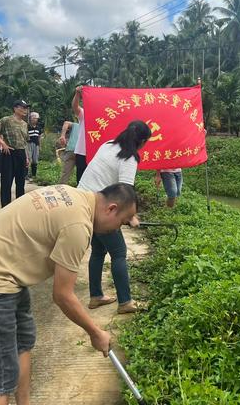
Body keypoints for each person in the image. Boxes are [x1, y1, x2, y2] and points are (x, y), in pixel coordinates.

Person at [0, 182, 137, 405]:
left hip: (6, 274)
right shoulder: (78, 226)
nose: (116, 230)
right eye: (121, 223)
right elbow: (62, 295)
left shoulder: (71, 193)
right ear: (111, 209)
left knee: (23, 343)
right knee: (1, 379)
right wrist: (95, 332)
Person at [78, 121, 152, 314]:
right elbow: (125, 192)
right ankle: (125, 302)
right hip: (100, 208)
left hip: (84, 202)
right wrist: (131, 217)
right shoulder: (129, 158)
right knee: (119, 253)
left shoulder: (108, 144)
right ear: (142, 141)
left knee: (98, 251)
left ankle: (96, 296)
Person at [0, 100, 30, 208]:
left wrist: (27, 157)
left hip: (21, 154)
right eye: (23, 107)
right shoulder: (6, 120)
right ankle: (5, 207)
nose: (25, 110)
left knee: (21, 182)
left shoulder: (25, 124)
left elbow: (25, 142)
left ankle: (20, 207)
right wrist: (2, 143)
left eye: (26, 108)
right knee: (7, 181)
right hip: (9, 153)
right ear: (15, 108)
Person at [71, 86, 87, 184]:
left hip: (96, 154)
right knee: (81, 181)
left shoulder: (104, 115)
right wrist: (77, 94)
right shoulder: (84, 113)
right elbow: (75, 107)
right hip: (82, 152)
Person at [58, 119, 80, 184]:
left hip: (71, 150)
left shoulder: (76, 125)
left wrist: (62, 136)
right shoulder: (89, 127)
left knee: (65, 173)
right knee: (81, 174)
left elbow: (66, 123)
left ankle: (61, 189)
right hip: (81, 153)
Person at [27, 112, 42, 181]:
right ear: (31, 118)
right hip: (29, 144)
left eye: (36, 118)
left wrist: (40, 145)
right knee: (28, 159)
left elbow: (39, 137)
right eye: (34, 118)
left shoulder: (38, 127)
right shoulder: (27, 126)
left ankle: (34, 175)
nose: (35, 120)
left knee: (35, 160)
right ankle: (26, 175)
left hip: (36, 144)